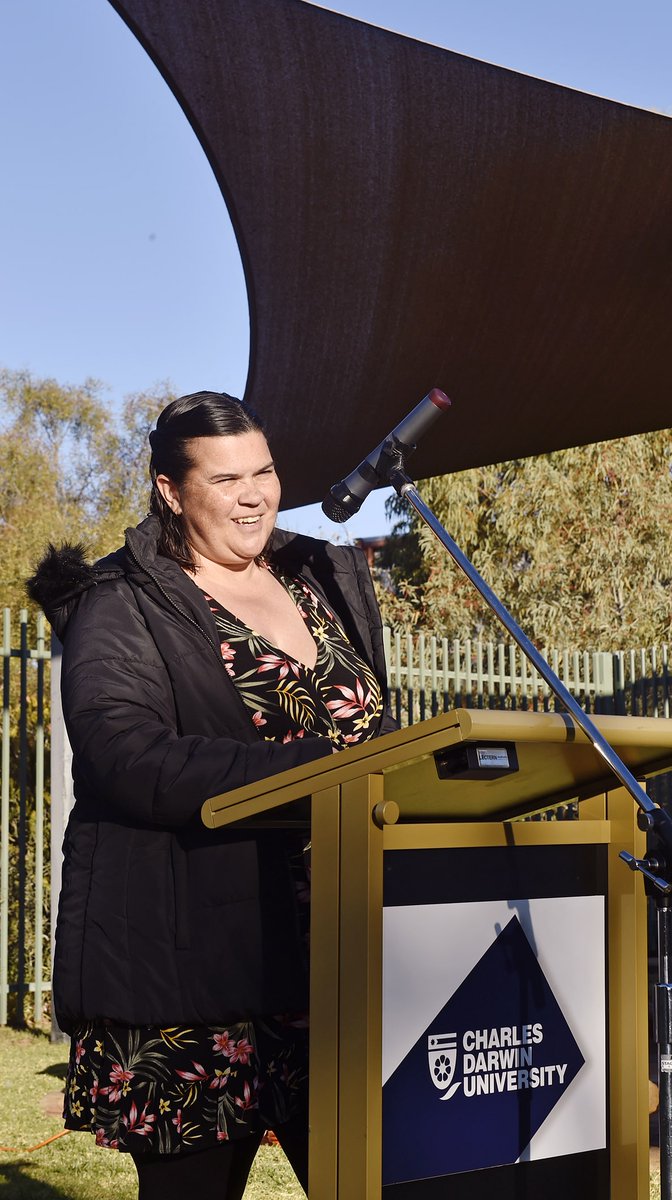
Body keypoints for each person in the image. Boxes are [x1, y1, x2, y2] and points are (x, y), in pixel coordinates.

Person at [28, 391, 396, 1200]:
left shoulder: (321, 578)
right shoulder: (118, 600)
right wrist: (322, 769)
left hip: (341, 954)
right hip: (193, 970)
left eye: (263, 471)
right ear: (170, 489)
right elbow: (128, 758)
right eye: (226, 479)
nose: (255, 494)